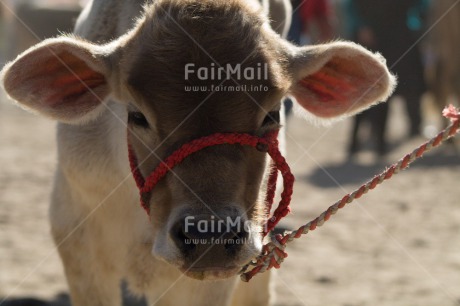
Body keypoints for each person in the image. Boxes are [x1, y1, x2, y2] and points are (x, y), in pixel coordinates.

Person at [345, 0, 427, 156]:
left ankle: (380, 143)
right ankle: (354, 141)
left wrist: (413, 22)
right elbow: (352, 6)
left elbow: (419, 5)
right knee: (362, 89)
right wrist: (362, 25)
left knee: (386, 91)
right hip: (369, 36)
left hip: (396, 37)